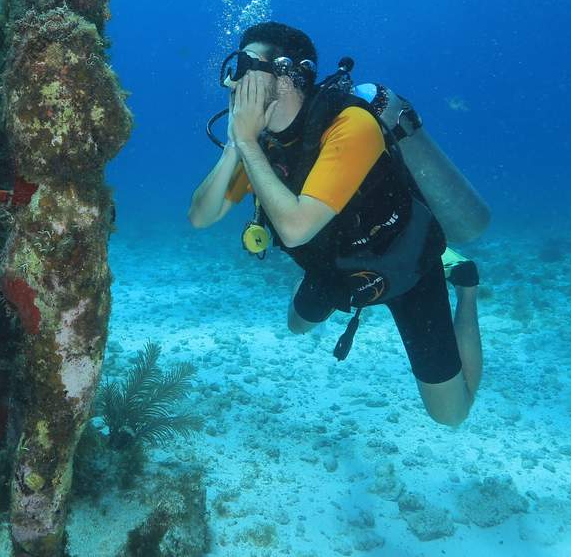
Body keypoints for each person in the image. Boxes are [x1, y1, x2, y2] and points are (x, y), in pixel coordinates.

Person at [187, 21, 483, 427]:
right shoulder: (262, 144)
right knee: (296, 326)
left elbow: (293, 229)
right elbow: (201, 216)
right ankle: (321, 288)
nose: (232, 82)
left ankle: (465, 286)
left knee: (451, 415)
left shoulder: (350, 125)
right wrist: (235, 147)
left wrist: (249, 144)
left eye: (243, 67)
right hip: (333, 268)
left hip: (404, 266)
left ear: (289, 74)